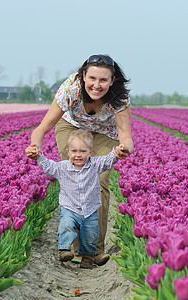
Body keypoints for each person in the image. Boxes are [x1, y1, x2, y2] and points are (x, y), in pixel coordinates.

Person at [27, 54, 133, 266]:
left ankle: (94, 250)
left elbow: (126, 135)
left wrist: (124, 149)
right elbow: (43, 127)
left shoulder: (119, 97)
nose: (96, 85)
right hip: (72, 129)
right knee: (74, 178)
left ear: (112, 81)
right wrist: (35, 146)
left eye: (103, 80)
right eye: (92, 78)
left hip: (104, 133)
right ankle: (75, 249)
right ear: (83, 76)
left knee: (100, 182)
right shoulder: (71, 90)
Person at [25, 129, 128, 268]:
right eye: (74, 151)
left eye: (83, 151)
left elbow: (107, 161)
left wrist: (116, 153)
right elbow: (49, 167)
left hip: (90, 209)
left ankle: (87, 257)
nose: (78, 155)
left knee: (90, 234)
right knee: (66, 225)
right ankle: (64, 250)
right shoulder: (62, 168)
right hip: (70, 208)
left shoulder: (95, 165)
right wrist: (38, 157)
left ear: (90, 152)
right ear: (68, 151)